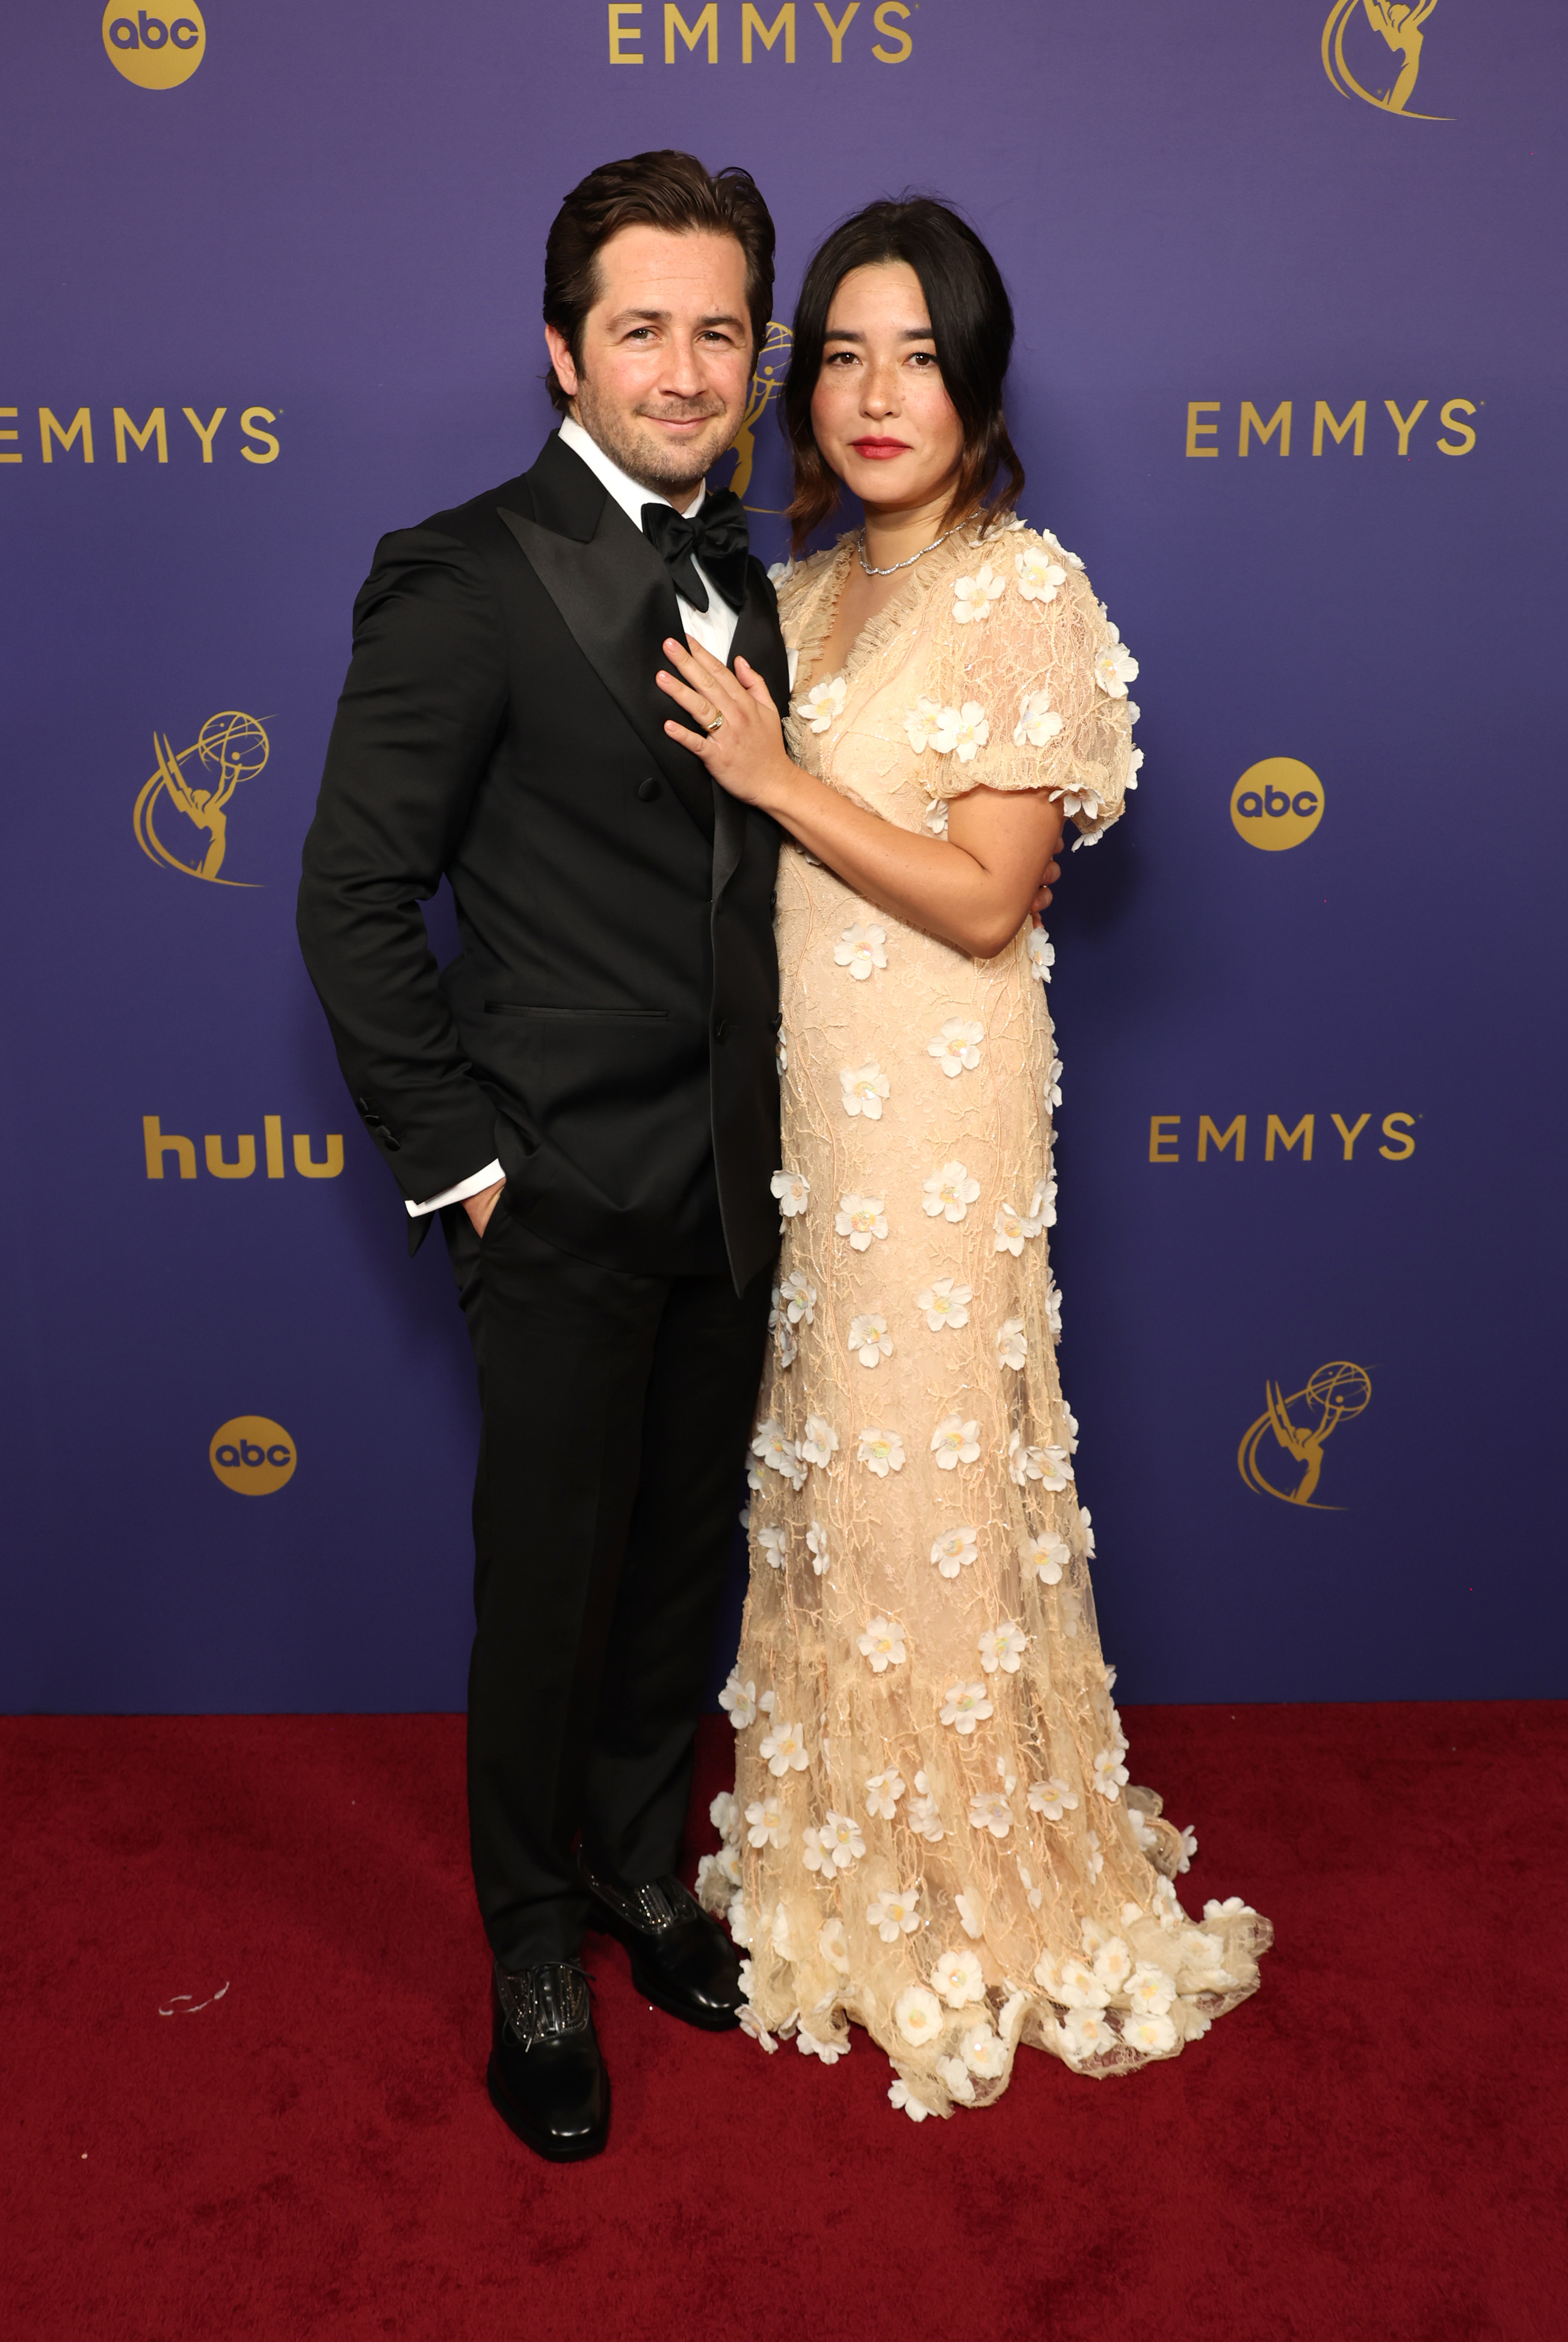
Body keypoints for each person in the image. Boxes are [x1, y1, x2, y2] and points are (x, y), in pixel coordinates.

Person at [662, 197, 1273, 2117]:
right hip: (803, 1110)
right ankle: (846, 1857)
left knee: (932, 1447)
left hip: (939, 1099)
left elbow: (995, 896)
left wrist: (776, 780)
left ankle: (971, 1880)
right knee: (834, 1455)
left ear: (979, 379)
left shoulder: (1026, 593)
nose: (871, 393)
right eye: (837, 353)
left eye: (915, 354)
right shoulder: (804, 589)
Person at [296, 150, 792, 2163]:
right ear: (565, 349)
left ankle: (635, 1868)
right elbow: (351, 895)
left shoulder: (750, 577)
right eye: (645, 329)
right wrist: (463, 1167)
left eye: (720, 332)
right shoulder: (462, 568)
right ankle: (524, 1939)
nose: (685, 370)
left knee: (680, 1569)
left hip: (735, 1185)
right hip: (557, 1189)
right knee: (548, 1584)